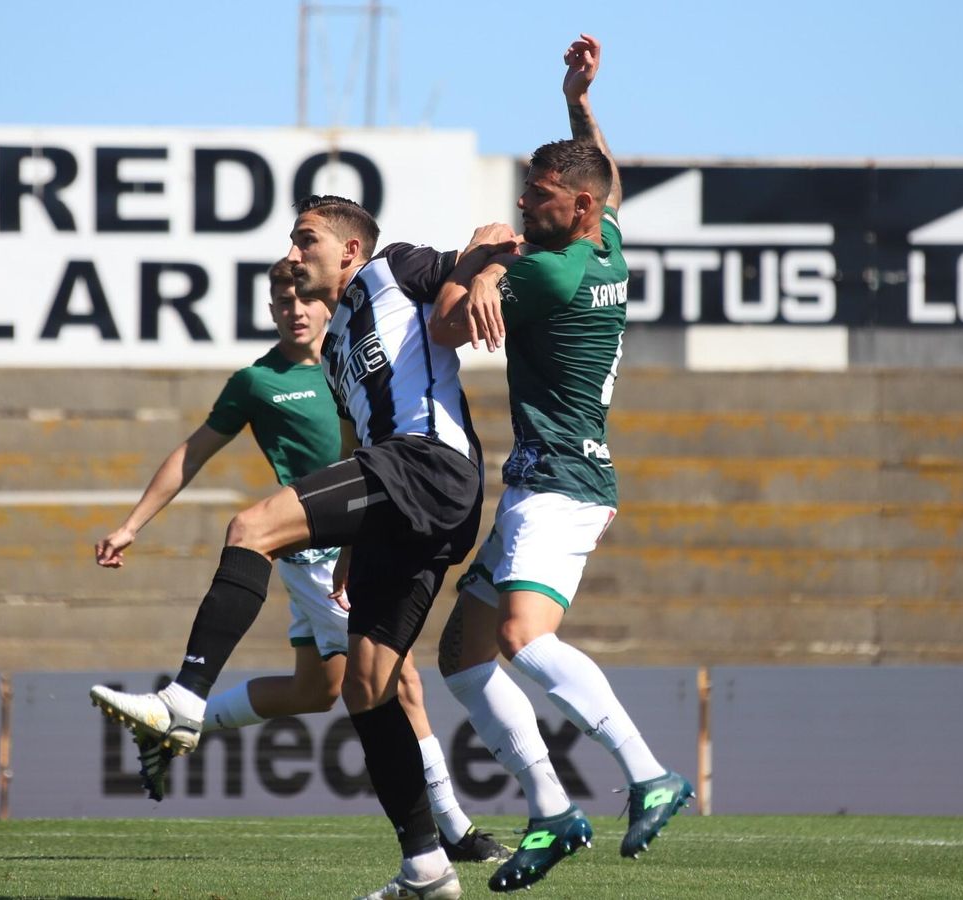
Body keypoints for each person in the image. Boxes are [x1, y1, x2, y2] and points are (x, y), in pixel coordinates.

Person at [90, 196, 519, 899]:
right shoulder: (339, 344)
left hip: (430, 467)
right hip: (409, 500)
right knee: (366, 686)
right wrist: (350, 538)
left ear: (350, 252)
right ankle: (427, 869)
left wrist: (483, 276)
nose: (292, 256)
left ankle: (185, 700)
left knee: (251, 527)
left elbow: (501, 236)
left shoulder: (396, 267)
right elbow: (354, 441)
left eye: (304, 240)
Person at [429, 34, 694, 893]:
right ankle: (552, 812)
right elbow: (604, 172)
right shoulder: (604, 235)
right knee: (464, 657)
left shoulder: (545, 276)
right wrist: (579, 103)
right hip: (545, 477)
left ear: (573, 208)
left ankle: (650, 774)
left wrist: (475, 257)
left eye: (537, 197)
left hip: (562, 484)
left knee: (520, 636)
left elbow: (441, 326)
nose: (520, 202)